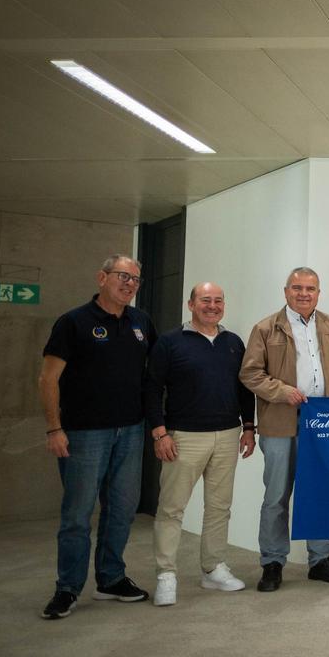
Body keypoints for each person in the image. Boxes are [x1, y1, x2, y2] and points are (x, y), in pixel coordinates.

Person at [38, 255, 157, 619]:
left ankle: (111, 578)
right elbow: (48, 379)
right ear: (102, 277)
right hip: (84, 434)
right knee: (77, 514)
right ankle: (68, 587)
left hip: (131, 431)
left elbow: (154, 376)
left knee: (121, 510)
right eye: (123, 276)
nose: (130, 284)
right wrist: (55, 428)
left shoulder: (141, 322)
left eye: (136, 279)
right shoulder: (73, 322)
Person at [146, 282, 256, 606]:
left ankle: (213, 568)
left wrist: (248, 428)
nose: (212, 305)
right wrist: (159, 433)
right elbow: (151, 389)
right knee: (171, 508)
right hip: (183, 437)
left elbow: (244, 389)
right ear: (190, 304)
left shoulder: (233, 342)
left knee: (219, 507)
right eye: (205, 300)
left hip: (227, 435)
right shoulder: (169, 342)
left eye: (218, 300)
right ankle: (166, 574)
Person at [240, 267, 329, 592]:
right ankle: (272, 562)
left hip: (322, 423)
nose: (304, 294)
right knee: (276, 496)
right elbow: (250, 374)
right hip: (279, 422)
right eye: (297, 288)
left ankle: (320, 559)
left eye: (310, 289)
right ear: (285, 291)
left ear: (319, 293)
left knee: (318, 492)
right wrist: (281, 391)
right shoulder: (265, 328)